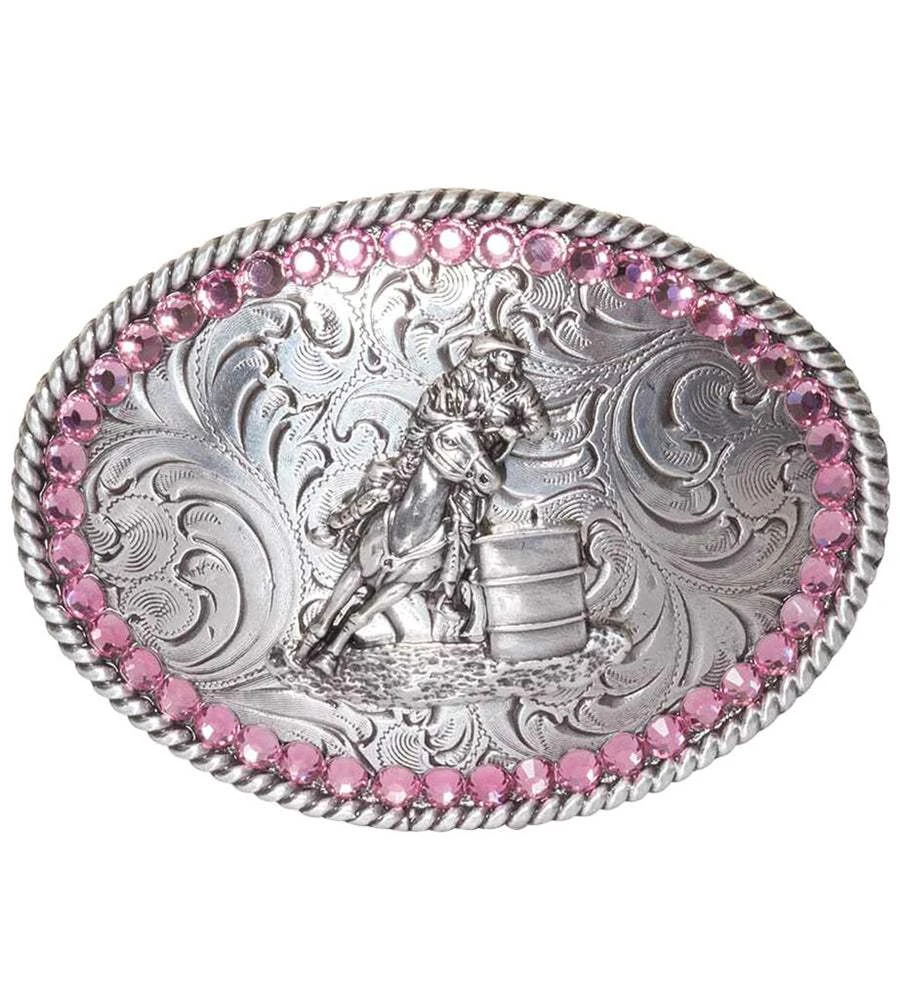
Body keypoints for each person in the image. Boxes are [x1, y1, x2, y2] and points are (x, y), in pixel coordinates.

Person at [320, 328, 550, 606]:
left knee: (464, 524)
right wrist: (415, 450)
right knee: (384, 477)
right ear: (489, 355)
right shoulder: (460, 379)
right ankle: (340, 526)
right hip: (440, 447)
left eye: (513, 356)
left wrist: (515, 429)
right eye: (503, 354)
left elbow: (540, 428)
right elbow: (426, 411)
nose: (510, 360)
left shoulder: (522, 391)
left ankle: (446, 591)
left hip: (475, 465)